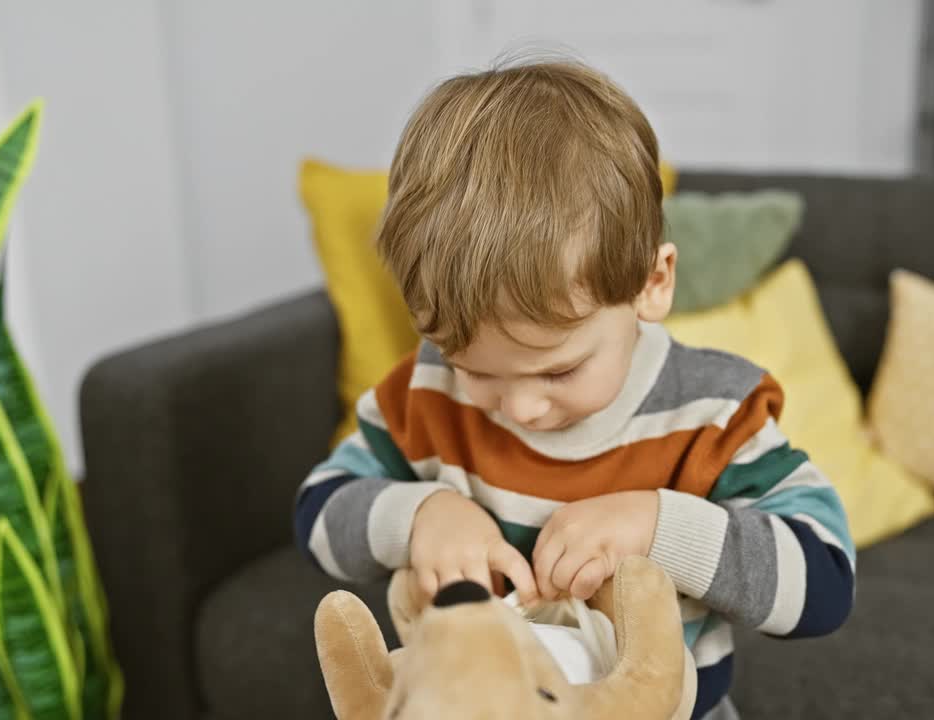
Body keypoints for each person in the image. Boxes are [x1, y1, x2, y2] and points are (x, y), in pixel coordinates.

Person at [294, 59, 854, 719]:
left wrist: (660, 526)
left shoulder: (713, 412)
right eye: (477, 369)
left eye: (559, 370)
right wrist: (417, 518)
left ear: (653, 283)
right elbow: (319, 514)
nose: (521, 408)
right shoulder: (428, 390)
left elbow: (825, 584)